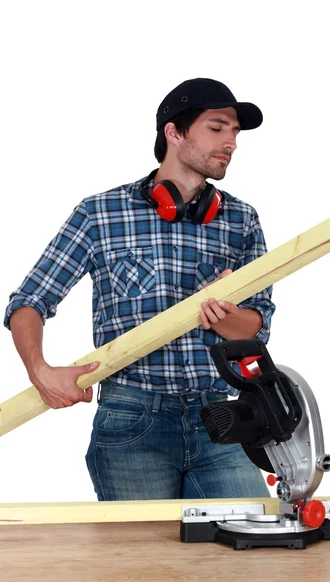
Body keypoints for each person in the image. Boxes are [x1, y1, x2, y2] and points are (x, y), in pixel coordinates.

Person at [4, 78, 276, 500]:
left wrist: (228, 316)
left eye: (235, 133)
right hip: (133, 420)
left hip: (220, 418)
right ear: (174, 132)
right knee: (140, 563)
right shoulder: (100, 213)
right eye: (217, 127)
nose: (231, 143)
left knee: (246, 551)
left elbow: (255, 330)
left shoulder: (242, 220)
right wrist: (40, 370)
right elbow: (29, 301)